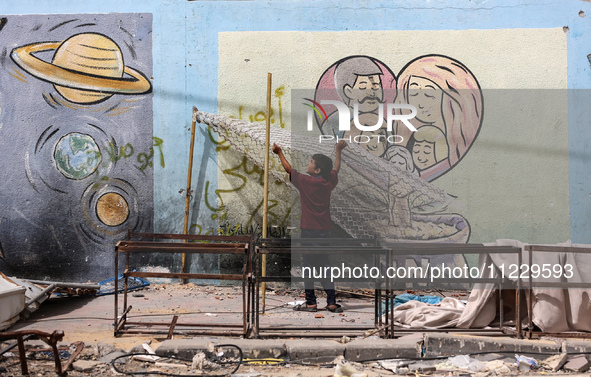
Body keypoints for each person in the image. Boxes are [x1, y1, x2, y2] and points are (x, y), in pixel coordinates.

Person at [272, 140, 347, 313]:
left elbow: (289, 169)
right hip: (324, 232)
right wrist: (338, 150)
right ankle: (332, 302)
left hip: (308, 231)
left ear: (317, 170)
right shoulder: (328, 183)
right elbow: (336, 168)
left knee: (308, 266)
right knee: (325, 266)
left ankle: (311, 303)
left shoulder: (307, 182)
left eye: (311, 162)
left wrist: (279, 153)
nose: (308, 164)